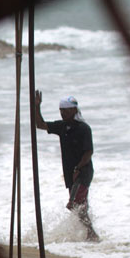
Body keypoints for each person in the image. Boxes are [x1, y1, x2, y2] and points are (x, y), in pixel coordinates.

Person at [33, 90, 99, 242]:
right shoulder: (62, 127)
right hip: (70, 173)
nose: (63, 113)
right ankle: (90, 235)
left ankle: (90, 233)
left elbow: (89, 152)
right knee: (80, 206)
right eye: (61, 110)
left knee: (74, 204)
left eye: (66, 110)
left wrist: (78, 168)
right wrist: (37, 107)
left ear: (74, 110)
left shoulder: (83, 128)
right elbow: (40, 125)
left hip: (83, 172)